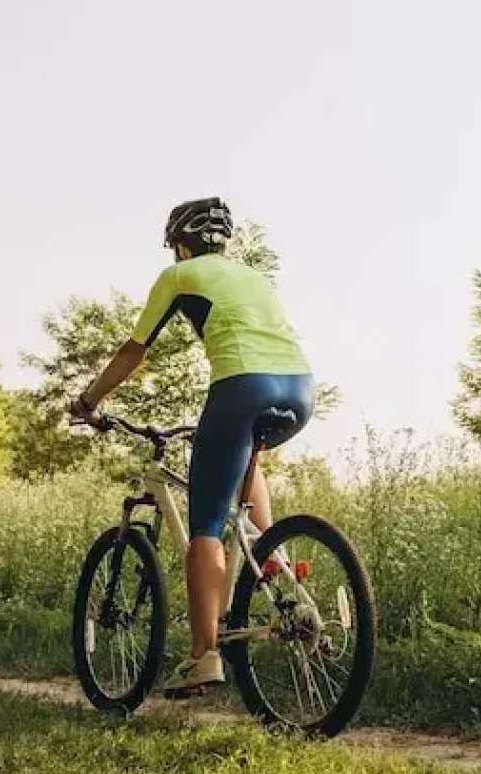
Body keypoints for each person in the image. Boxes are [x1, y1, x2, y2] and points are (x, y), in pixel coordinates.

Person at [71, 198, 314, 698]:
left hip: (242, 386)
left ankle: (204, 657)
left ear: (180, 245)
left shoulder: (179, 276)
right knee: (246, 461)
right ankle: (271, 557)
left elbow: (134, 351)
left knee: (205, 526)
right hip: (299, 389)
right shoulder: (253, 277)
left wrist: (89, 401)